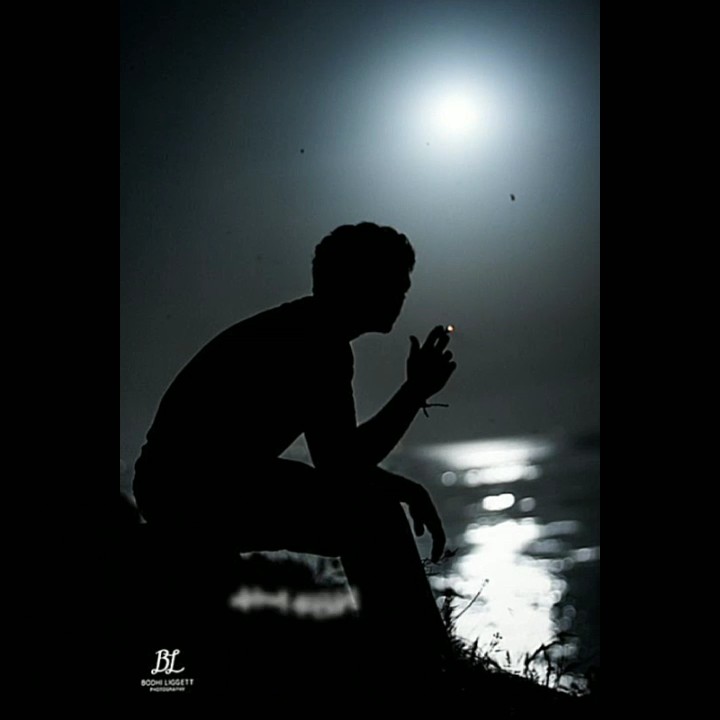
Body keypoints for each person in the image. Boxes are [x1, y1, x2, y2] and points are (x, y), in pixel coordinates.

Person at [132, 221, 457, 683]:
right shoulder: (318, 342)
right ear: (360, 282)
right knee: (373, 515)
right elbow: (342, 464)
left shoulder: (311, 331)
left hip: (188, 482)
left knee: (372, 507)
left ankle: (414, 661)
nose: (403, 293)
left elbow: (338, 461)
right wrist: (413, 394)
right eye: (395, 282)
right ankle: (420, 667)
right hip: (189, 488)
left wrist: (403, 479)